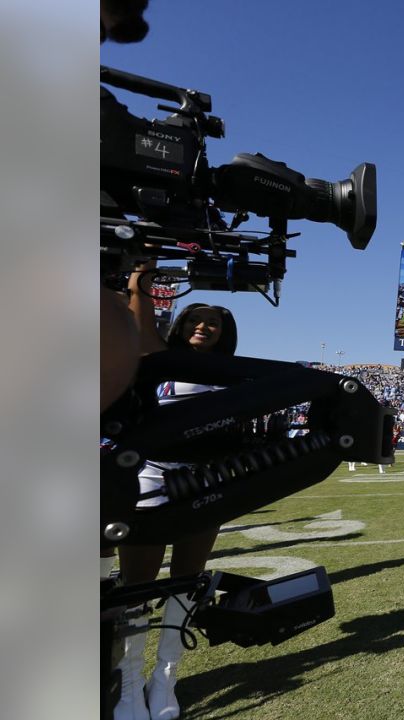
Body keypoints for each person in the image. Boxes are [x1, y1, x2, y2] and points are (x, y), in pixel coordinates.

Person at [114, 264, 240, 720]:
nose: (202, 326)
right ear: (180, 324)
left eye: (213, 322)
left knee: (186, 582)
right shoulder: (155, 359)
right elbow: (142, 321)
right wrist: (140, 279)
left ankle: (164, 679)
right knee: (136, 588)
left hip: (205, 482)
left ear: (225, 334)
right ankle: (127, 686)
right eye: (194, 319)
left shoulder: (231, 373)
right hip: (152, 476)